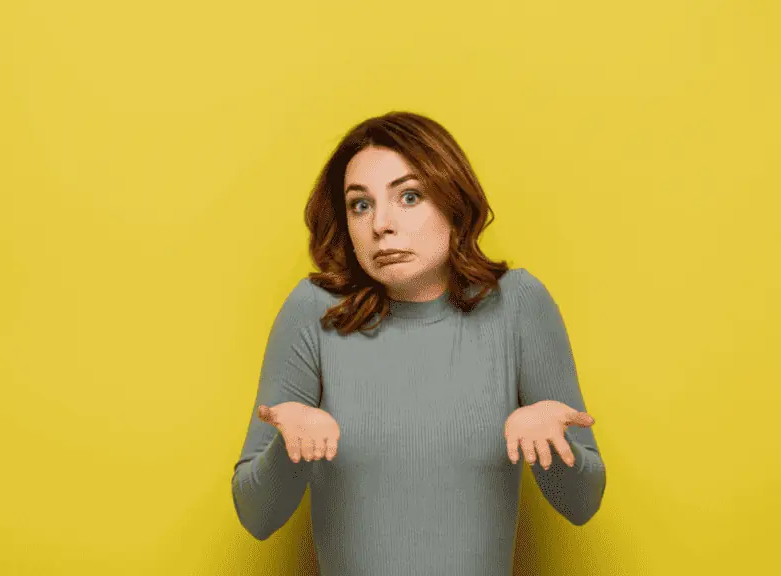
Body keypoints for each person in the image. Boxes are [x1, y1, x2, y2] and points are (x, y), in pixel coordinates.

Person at [230, 111, 607, 575]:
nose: (380, 225)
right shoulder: (313, 311)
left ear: (453, 202)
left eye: (409, 197)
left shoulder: (518, 304)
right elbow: (256, 516)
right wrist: (288, 448)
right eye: (360, 205)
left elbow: (583, 505)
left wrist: (552, 443)